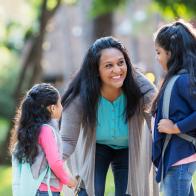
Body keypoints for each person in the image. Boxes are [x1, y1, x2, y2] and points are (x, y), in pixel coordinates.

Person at [60, 36, 157, 196]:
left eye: (121, 63)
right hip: (98, 147)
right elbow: (67, 140)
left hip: (128, 148)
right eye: (108, 66)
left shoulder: (140, 89)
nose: (117, 70)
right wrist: (53, 160)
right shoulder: (80, 96)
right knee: (90, 192)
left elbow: (156, 122)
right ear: (96, 70)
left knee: (127, 193)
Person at [152, 20, 196, 196]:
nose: (157, 57)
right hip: (176, 157)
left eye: (158, 52)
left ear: (170, 53)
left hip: (179, 158)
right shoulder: (176, 79)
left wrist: (175, 127)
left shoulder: (183, 81)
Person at [10, 83, 77, 196]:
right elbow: (55, 163)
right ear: (52, 108)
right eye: (59, 103)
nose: (62, 107)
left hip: (34, 189)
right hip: (46, 190)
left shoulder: (31, 130)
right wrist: (69, 180)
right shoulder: (46, 131)